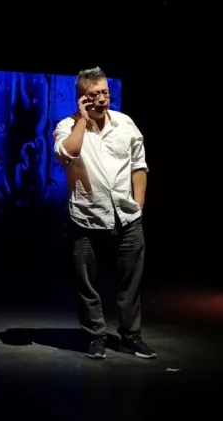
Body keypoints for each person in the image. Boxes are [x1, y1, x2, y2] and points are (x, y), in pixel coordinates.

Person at [53, 67, 154, 360]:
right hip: (87, 217)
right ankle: (95, 336)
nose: (101, 99)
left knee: (130, 282)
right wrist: (83, 121)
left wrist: (139, 205)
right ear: (82, 97)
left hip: (127, 216)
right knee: (87, 283)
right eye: (94, 94)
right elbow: (68, 152)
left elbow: (139, 165)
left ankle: (131, 336)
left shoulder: (125, 124)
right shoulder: (67, 126)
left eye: (105, 93)